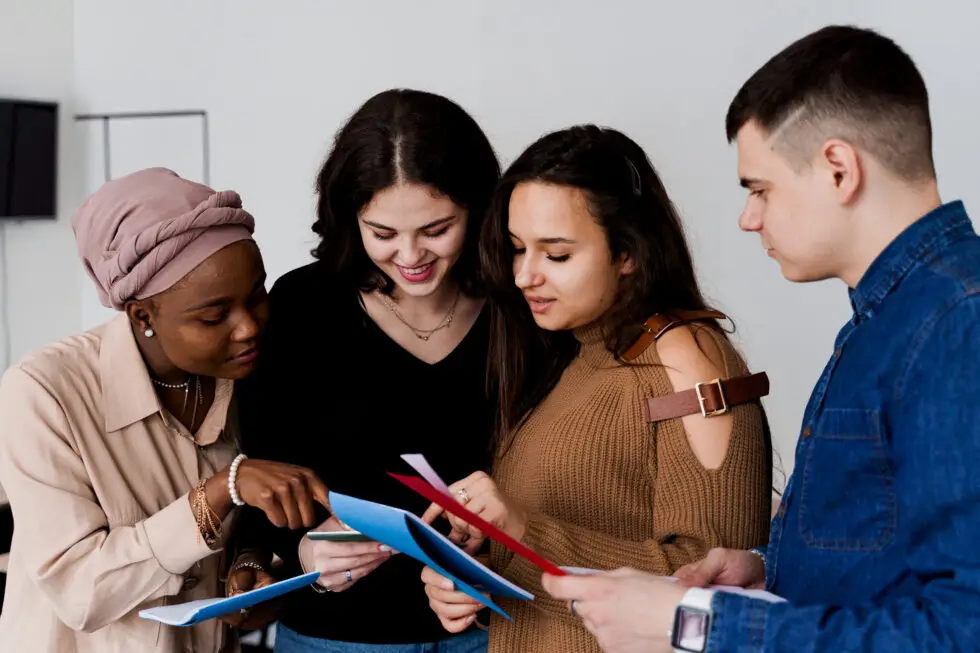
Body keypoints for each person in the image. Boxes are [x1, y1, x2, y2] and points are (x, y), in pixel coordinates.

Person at [541, 24, 980, 653]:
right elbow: (890, 556)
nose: (749, 218)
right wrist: (770, 568)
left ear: (837, 169)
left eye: (759, 189)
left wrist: (691, 625)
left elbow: (964, 630)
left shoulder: (956, 323)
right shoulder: (892, 318)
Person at [420, 125, 774, 653]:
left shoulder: (685, 357)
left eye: (556, 255)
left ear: (628, 252)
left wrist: (521, 530)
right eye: (517, 249)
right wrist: (473, 570)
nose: (524, 276)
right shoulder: (569, 353)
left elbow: (708, 588)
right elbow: (564, 544)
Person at [0, 167, 331, 653]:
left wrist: (250, 571)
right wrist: (222, 490)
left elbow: (237, 546)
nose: (247, 328)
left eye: (257, 296)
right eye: (214, 316)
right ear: (142, 316)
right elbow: (81, 591)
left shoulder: (250, 377)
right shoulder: (43, 392)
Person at [226, 88, 501, 653]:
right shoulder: (305, 305)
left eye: (435, 229)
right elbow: (259, 466)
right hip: (338, 636)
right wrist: (300, 551)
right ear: (351, 219)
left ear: (478, 208)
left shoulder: (520, 303)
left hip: (497, 629)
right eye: (382, 234)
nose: (410, 256)